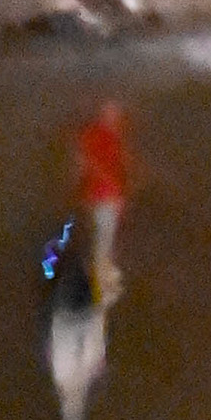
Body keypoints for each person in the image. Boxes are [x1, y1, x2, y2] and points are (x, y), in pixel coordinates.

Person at [42, 215, 107, 420]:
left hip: (72, 310)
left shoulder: (78, 373)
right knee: (71, 268)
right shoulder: (71, 374)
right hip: (72, 310)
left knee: (70, 268)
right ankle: (70, 234)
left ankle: (69, 234)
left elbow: (89, 344)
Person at [72, 100, 133, 301]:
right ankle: (97, 285)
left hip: (108, 197)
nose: (113, 118)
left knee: (104, 237)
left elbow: (119, 170)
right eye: (110, 114)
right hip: (100, 196)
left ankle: (97, 280)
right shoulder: (95, 135)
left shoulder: (114, 138)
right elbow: (86, 164)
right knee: (102, 237)